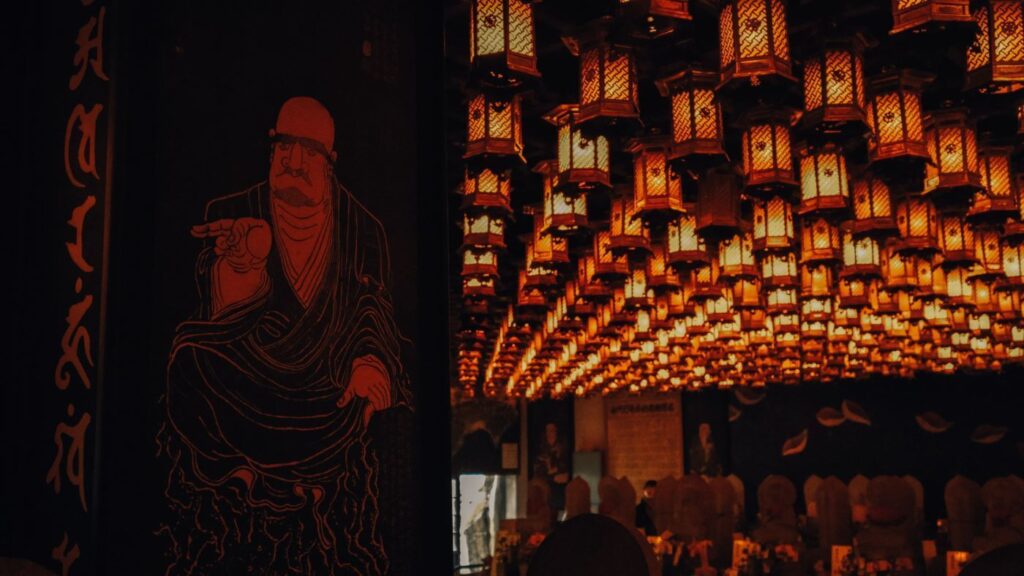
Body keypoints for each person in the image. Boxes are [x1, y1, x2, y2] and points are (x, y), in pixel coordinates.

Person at [160, 96, 411, 575]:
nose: (294, 162)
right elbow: (214, 327)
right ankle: (239, 475)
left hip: (321, 403)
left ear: (330, 164)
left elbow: (374, 313)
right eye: (284, 147)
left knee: (357, 405)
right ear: (271, 150)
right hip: (244, 388)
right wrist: (242, 270)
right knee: (188, 362)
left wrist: (368, 362)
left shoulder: (364, 230)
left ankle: (281, 479)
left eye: (309, 151)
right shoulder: (233, 212)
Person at [534, 422, 570, 518]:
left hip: (562, 491)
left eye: (553, 430)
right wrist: (552, 476)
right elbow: (538, 473)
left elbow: (567, 467)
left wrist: (563, 473)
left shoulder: (563, 449)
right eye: (548, 431)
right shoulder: (541, 450)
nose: (550, 433)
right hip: (547, 491)